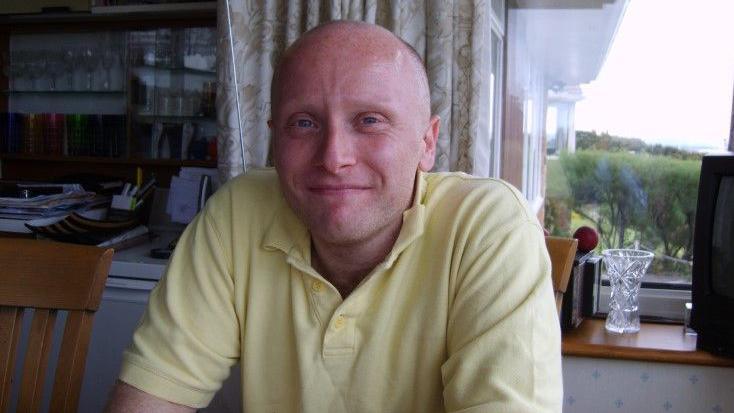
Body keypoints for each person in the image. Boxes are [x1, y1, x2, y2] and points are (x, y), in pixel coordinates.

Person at [105, 20, 562, 413]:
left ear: (427, 142)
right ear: (274, 140)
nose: (334, 157)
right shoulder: (237, 213)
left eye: (369, 120)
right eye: (304, 122)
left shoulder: (490, 227)